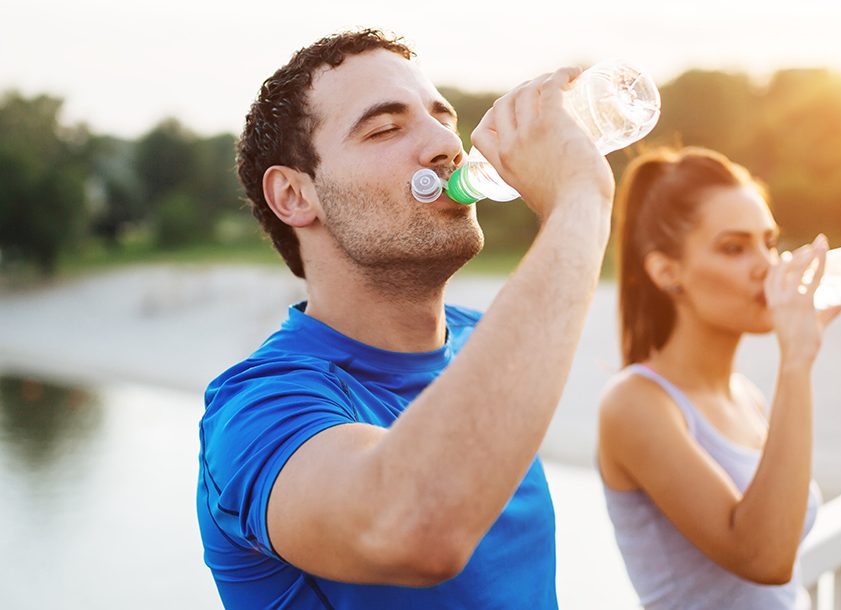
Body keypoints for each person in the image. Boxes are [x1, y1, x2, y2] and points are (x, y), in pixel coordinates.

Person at [196, 29, 615, 608]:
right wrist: (579, 200)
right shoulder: (255, 412)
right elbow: (415, 527)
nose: (447, 142)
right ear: (294, 196)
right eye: (386, 128)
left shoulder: (485, 344)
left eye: (443, 117)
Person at [596, 147, 841, 609]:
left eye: (768, 243)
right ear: (668, 272)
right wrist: (796, 363)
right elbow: (764, 558)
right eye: (734, 248)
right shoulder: (635, 403)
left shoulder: (744, 397)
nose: (767, 266)